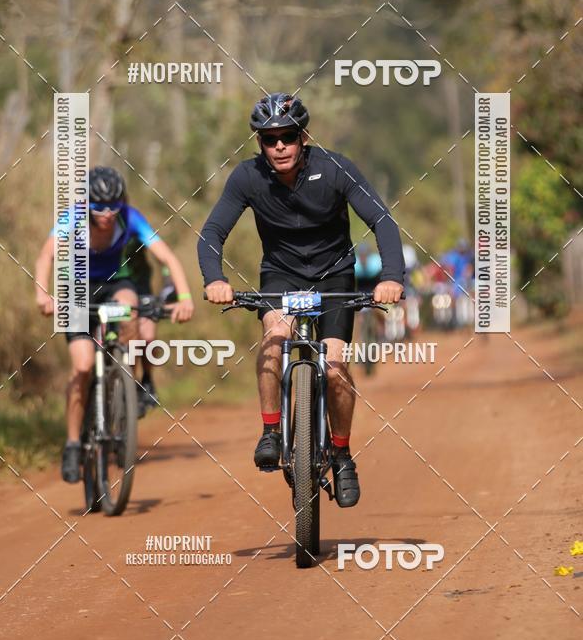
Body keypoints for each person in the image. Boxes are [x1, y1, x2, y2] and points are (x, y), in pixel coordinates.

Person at [198, 93, 404, 507]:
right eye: (269, 138)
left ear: (303, 137)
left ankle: (343, 455)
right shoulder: (247, 177)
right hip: (281, 275)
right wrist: (214, 279)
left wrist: (392, 277)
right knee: (275, 335)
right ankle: (272, 431)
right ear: (258, 142)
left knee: (334, 365)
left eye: (288, 137)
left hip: (334, 277)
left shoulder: (335, 168)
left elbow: (382, 220)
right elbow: (212, 232)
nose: (279, 146)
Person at [34, 166, 194, 483]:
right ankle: (72, 443)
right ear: (87, 204)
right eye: (98, 206)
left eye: (113, 205)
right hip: (77, 289)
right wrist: (43, 294)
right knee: (81, 368)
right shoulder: (73, 217)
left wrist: (186, 297)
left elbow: (168, 258)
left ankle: (125, 380)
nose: (107, 213)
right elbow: (45, 256)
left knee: (131, 311)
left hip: (114, 285)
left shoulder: (130, 218)